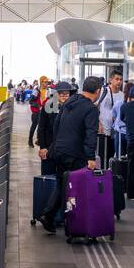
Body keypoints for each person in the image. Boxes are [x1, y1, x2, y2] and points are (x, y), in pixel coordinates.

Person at [38, 77, 100, 234]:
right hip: (76, 154)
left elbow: (56, 125)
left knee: (61, 184)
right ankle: (74, 223)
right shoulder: (90, 108)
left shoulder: (69, 103)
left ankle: (48, 215)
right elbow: (91, 134)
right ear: (98, 91)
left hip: (60, 150)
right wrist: (91, 157)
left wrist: (55, 146)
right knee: (77, 187)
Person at [35, 81, 67, 175]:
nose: (64, 97)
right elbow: (41, 127)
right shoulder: (48, 105)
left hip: (65, 151)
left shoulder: (71, 107)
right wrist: (42, 147)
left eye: (67, 94)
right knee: (48, 177)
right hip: (48, 148)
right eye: (62, 94)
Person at [95, 70, 124, 168]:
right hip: (103, 130)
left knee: (112, 156)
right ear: (110, 80)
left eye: (120, 79)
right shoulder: (103, 91)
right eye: (116, 79)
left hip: (115, 132)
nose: (119, 82)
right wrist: (99, 124)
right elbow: (95, 107)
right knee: (102, 155)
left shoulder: (122, 95)